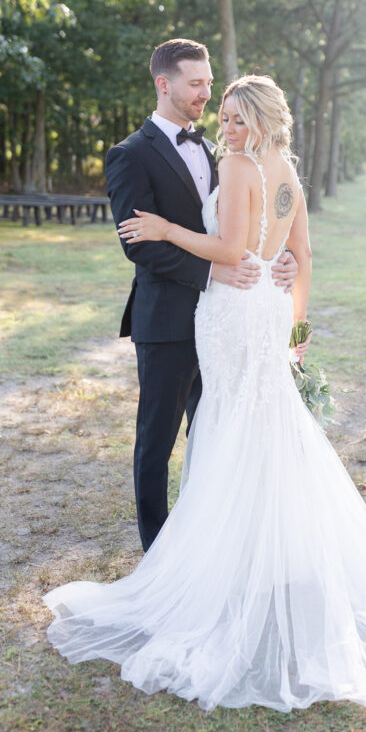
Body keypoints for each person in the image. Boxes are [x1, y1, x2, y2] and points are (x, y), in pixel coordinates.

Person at [44, 75, 366, 713]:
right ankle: (271, 558)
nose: (225, 129)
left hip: (231, 313)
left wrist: (166, 230)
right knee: (263, 428)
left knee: (230, 426)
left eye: (235, 118)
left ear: (259, 120)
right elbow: (302, 252)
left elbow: (231, 250)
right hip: (264, 312)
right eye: (222, 117)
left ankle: (227, 566)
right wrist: (296, 328)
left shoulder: (237, 166)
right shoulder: (285, 166)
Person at [103, 39, 298, 552]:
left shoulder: (224, 150)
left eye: (210, 84)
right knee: (156, 443)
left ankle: (213, 548)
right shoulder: (128, 155)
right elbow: (138, 247)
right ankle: (159, 553)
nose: (206, 95)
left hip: (230, 320)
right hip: (168, 321)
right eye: (196, 84)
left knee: (219, 435)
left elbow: (249, 223)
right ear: (164, 84)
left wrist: (281, 257)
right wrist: (214, 272)